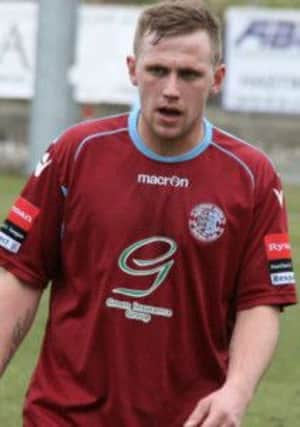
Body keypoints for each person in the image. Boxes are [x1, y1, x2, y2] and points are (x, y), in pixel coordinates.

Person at [0, 1, 297, 426]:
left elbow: (262, 301)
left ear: (217, 79)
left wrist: (237, 390)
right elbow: (20, 274)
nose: (171, 89)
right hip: (63, 415)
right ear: (133, 69)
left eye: (189, 74)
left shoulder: (251, 176)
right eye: (158, 70)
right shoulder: (76, 152)